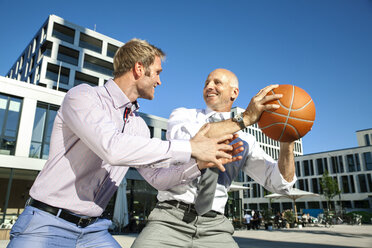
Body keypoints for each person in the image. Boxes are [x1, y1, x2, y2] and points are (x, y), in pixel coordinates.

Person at [6, 40, 240, 248]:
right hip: (47, 222)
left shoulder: (138, 126)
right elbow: (112, 148)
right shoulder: (84, 96)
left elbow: (157, 178)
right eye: (157, 72)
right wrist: (190, 147)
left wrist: (198, 164)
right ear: (139, 68)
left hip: (93, 230)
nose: (159, 80)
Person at [132, 68, 297, 247]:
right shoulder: (184, 115)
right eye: (206, 83)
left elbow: (281, 184)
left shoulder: (246, 140)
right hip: (169, 219)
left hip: (215, 225)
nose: (209, 86)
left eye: (217, 82)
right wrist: (245, 119)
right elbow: (195, 141)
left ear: (234, 92)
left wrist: (287, 140)